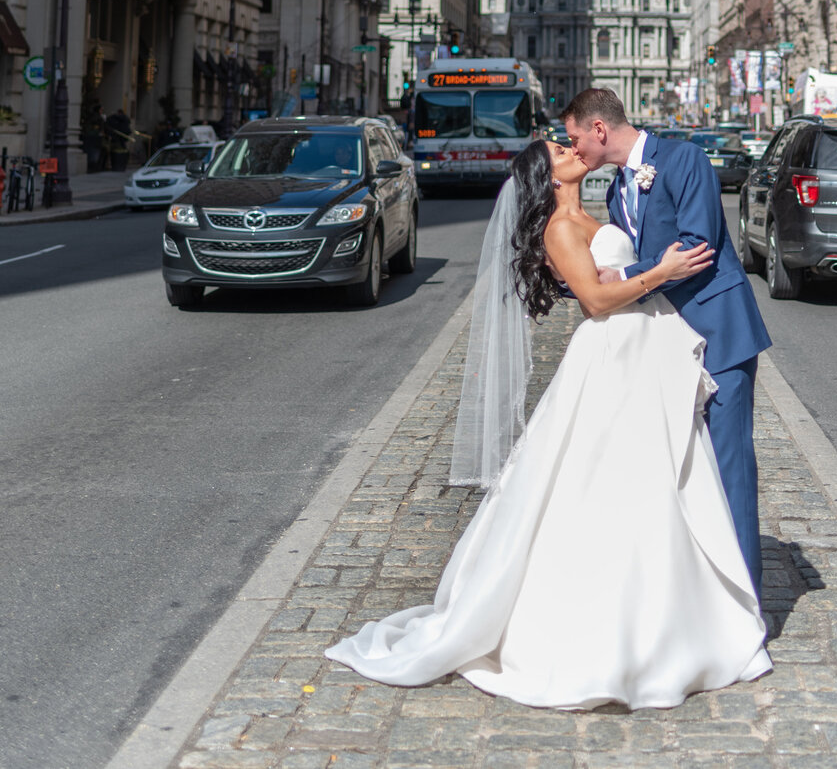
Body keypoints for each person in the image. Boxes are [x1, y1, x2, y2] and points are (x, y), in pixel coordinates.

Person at [326, 137, 771, 708]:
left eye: (569, 139)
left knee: (653, 475)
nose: (571, 148)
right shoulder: (561, 226)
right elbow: (594, 301)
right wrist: (660, 272)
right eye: (560, 148)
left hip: (642, 349)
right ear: (548, 173)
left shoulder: (600, 206)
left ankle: (674, 600)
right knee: (607, 477)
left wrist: (648, 270)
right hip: (612, 352)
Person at [565, 85, 772, 595]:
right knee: (684, 467)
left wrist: (627, 277)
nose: (574, 151)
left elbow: (699, 246)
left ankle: (746, 598)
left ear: (599, 129)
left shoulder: (684, 159)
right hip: (664, 341)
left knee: (729, 464)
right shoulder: (616, 189)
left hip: (719, 332)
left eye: (574, 139)